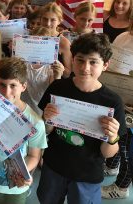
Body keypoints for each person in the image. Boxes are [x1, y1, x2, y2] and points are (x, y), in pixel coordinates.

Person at [38, 33, 127, 204]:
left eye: (93, 62)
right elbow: (47, 130)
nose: (85, 67)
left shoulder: (112, 101)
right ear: (72, 60)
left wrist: (112, 137)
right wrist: (47, 120)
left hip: (87, 173)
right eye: (80, 60)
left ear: (105, 65)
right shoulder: (58, 87)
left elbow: (108, 153)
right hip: (54, 165)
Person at [0, 57, 47, 204]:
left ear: (23, 86)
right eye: (2, 84)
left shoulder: (35, 122)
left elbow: (34, 156)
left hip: (14, 188)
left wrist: (23, 172)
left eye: (13, 85)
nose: (7, 92)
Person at [101, 16, 133, 199]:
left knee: (128, 146)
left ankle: (121, 187)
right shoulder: (123, 37)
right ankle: (112, 166)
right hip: (117, 97)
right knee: (117, 135)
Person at [21, 27, 64, 115]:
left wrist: (58, 75)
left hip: (41, 107)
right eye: (35, 43)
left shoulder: (53, 64)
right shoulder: (23, 60)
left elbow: (54, 90)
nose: (38, 47)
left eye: (42, 44)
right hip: (23, 104)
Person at [39, 2, 72, 77]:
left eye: (53, 20)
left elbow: (68, 73)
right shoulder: (31, 37)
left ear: (59, 21)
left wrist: (60, 68)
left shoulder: (63, 42)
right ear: (40, 19)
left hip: (54, 83)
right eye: (45, 19)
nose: (48, 23)